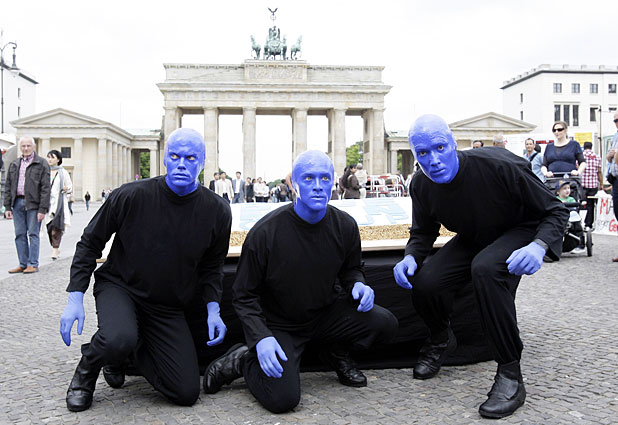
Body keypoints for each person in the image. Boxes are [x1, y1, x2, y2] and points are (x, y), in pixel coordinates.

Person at [393, 115, 568, 419]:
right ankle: (440, 339)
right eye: (422, 153)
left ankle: (510, 374)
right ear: (415, 155)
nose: (433, 160)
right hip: (474, 236)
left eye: (440, 148)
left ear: (453, 143)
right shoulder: (421, 184)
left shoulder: (498, 165)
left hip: (520, 228)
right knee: (427, 281)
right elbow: (422, 232)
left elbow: (556, 211)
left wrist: (538, 246)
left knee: (486, 269)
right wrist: (410, 257)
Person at [203, 150, 398, 413]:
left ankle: (336, 352)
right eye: (308, 178)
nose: (317, 186)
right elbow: (243, 295)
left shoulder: (345, 225)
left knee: (386, 323)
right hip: (281, 324)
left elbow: (351, 270)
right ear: (294, 184)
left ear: (333, 182)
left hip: (326, 315)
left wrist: (358, 285)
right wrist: (261, 338)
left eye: (324, 178)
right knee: (283, 400)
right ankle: (242, 360)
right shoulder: (265, 233)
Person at [59, 128, 232, 412]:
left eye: (190, 158)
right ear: (164, 159)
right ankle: (88, 368)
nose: (181, 164)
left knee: (186, 391)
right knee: (118, 337)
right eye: (174, 156)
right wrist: (75, 296)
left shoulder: (217, 210)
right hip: (121, 287)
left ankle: (123, 354)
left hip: (166, 304)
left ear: (202, 162)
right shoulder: (130, 196)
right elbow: (90, 243)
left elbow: (213, 266)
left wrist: (213, 309)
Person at [3, 136, 51, 274]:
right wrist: (7, 206)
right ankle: (23, 263)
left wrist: (43, 209)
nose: (26, 148)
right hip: (17, 202)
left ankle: (33, 263)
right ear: (20, 147)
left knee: (33, 234)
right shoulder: (15, 164)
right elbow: (8, 186)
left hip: (34, 204)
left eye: (28, 146)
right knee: (19, 234)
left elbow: (45, 188)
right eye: (23, 146)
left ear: (33, 147)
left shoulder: (41, 163)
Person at [45, 150, 73, 260]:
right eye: (48, 157)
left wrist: (67, 189)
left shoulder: (63, 173)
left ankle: (55, 249)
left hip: (59, 204)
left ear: (58, 159)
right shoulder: (45, 171)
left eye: (52, 157)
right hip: (47, 203)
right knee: (49, 227)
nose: (50, 160)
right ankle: (54, 246)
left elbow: (69, 186)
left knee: (56, 228)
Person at [580, 142, 602, 230]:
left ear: (584, 147)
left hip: (582, 184)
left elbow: (577, 168)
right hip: (593, 184)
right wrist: (601, 183)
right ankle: (588, 224)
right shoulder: (597, 157)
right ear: (591, 147)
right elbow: (599, 172)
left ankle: (578, 223)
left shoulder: (581, 156)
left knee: (580, 203)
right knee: (591, 205)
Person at [607, 111, 618, 262]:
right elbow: (610, 159)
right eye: (615, 121)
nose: (616, 123)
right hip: (615, 179)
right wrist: (610, 157)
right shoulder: (615, 136)